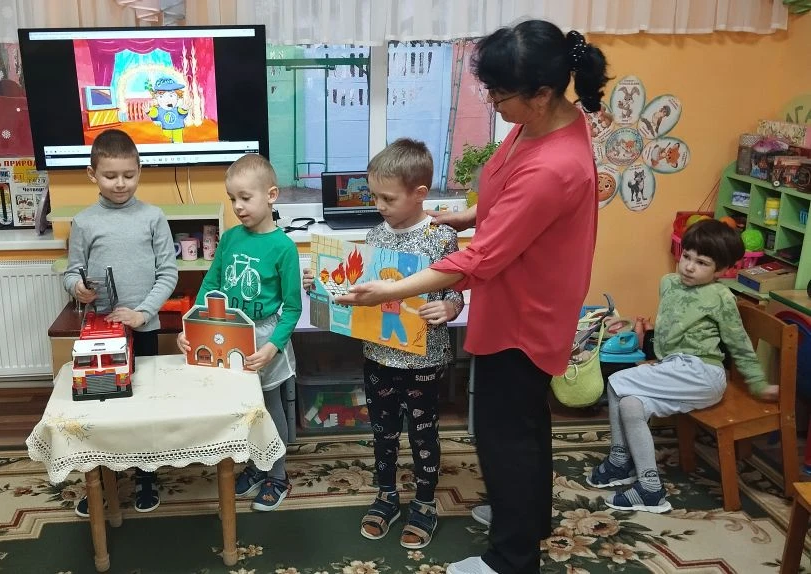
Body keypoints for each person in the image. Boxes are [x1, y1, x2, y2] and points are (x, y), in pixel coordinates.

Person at [335, 20, 611, 574]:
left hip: (526, 314)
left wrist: (391, 289)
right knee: (525, 423)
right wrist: (471, 215)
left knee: (504, 435)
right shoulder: (541, 124)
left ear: (541, 93)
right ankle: (526, 518)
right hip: (521, 296)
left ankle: (511, 559)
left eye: (499, 95)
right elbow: (508, 200)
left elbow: (481, 259)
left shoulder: (555, 164)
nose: (493, 104)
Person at [304, 138, 463, 548]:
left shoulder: (441, 237)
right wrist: (320, 284)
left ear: (420, 193)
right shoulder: (375, 234)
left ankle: (425, 502)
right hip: (378, 354)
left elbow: (455, 288)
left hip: (424, 357)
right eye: (373, 196)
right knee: (383, 432)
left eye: (387, 198)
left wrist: (449, 307)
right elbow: (358, 290)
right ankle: (387, 495)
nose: (378, 205)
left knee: (423, 433)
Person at [587, 219, 777, 513]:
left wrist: (758, 383)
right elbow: (672, 327)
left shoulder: (721, 297)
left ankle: (619, 460)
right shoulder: (668, 283)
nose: (689, 267)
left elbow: (739, 343)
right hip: (674, 368)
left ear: (721, 270)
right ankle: (650, 488)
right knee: (631, 405)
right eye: (687, 256)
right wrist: (642, 336)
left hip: (702, 373)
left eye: (702, 263)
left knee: (616, 381)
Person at [176, 153, 301, 511]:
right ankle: (256, 466)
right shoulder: (230, 238)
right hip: (226, 332)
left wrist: (274, 347)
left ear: (271, 195)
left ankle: (277, 475)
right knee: (241, 408)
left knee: (269, 408)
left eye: (245, 197)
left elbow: (292, 308)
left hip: (265, 340)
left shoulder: (284, 248)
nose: (238, 206)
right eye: (233, 199)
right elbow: (211, 284)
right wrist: (192, 325)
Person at [63, 129, 178, 517]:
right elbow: (72, 271)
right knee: (100, 406)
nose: (120, 183)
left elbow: (168, 273)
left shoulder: (153, 217)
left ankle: (147, 475)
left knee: (144, 403)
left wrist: (143, 312)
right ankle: (100, 480)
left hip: (143, 329)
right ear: (92, 174)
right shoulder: (83, 222)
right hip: (101, 332)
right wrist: (78, 288)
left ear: (139, 171)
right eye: (110, 175)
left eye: (129, 175)